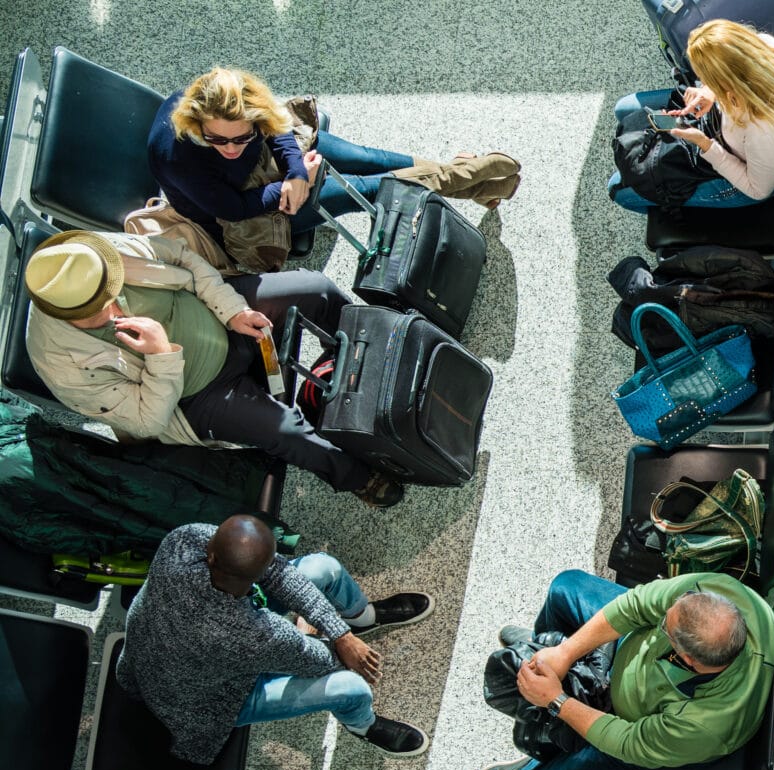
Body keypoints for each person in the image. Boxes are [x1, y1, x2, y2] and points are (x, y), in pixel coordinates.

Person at [22, 229, 406, 505]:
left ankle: (376, 350)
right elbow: (145, 421)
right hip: (198, 392)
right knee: (285, 429)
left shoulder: (99, 256)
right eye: (98, 308)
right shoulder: (59, 363)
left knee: (315, 289)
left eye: (111, 289)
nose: (114, 303)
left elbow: (182, 258)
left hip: (219, 315)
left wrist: (232, 309)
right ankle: (356, 477)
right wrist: (160, 355)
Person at [117, 516, 434, 764]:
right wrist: (314, 634)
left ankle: (360, 618)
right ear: (252, 580)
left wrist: (341, 633)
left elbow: (281, 575)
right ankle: (363, 725)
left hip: (155, 654)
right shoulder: (247, 632)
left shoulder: (184, 540)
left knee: (324, 568)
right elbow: (321, 660)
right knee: (351, 687)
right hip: (203, 700)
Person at [467, 569, 774, 770]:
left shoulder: (704, 724)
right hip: (627, 650)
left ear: (687, 660)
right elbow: (637, 605)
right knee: (565, 586)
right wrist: (564, 653)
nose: (661, 620)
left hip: (638, 732)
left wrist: (557, 700)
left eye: (665, 630)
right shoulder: (714, 595)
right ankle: (549, 647)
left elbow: (629, 742)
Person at [147, 67, 512, 247]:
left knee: (373, 158)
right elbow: (233, 209)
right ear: (196, 123)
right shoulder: (176, 156)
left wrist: (294, 171)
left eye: (243, 136)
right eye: (216, 140)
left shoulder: (240, 108)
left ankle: (465, 179)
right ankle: (461, 176)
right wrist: (291, 188)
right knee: (367, 189)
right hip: (245, 213)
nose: (229, 148)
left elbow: (278, 126)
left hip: (276, 171)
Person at [609, 19, 774, 213]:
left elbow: (758, 190)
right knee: (623, 108)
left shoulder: (765, 131)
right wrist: (709, 92)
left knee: (618, 189)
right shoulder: (764, 46)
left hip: (738, 179)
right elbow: (734, 73)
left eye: (706, 77)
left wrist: (705, 145)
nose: (700, 80)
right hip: (718, 123)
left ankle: (676, 215)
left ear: (725, 81)